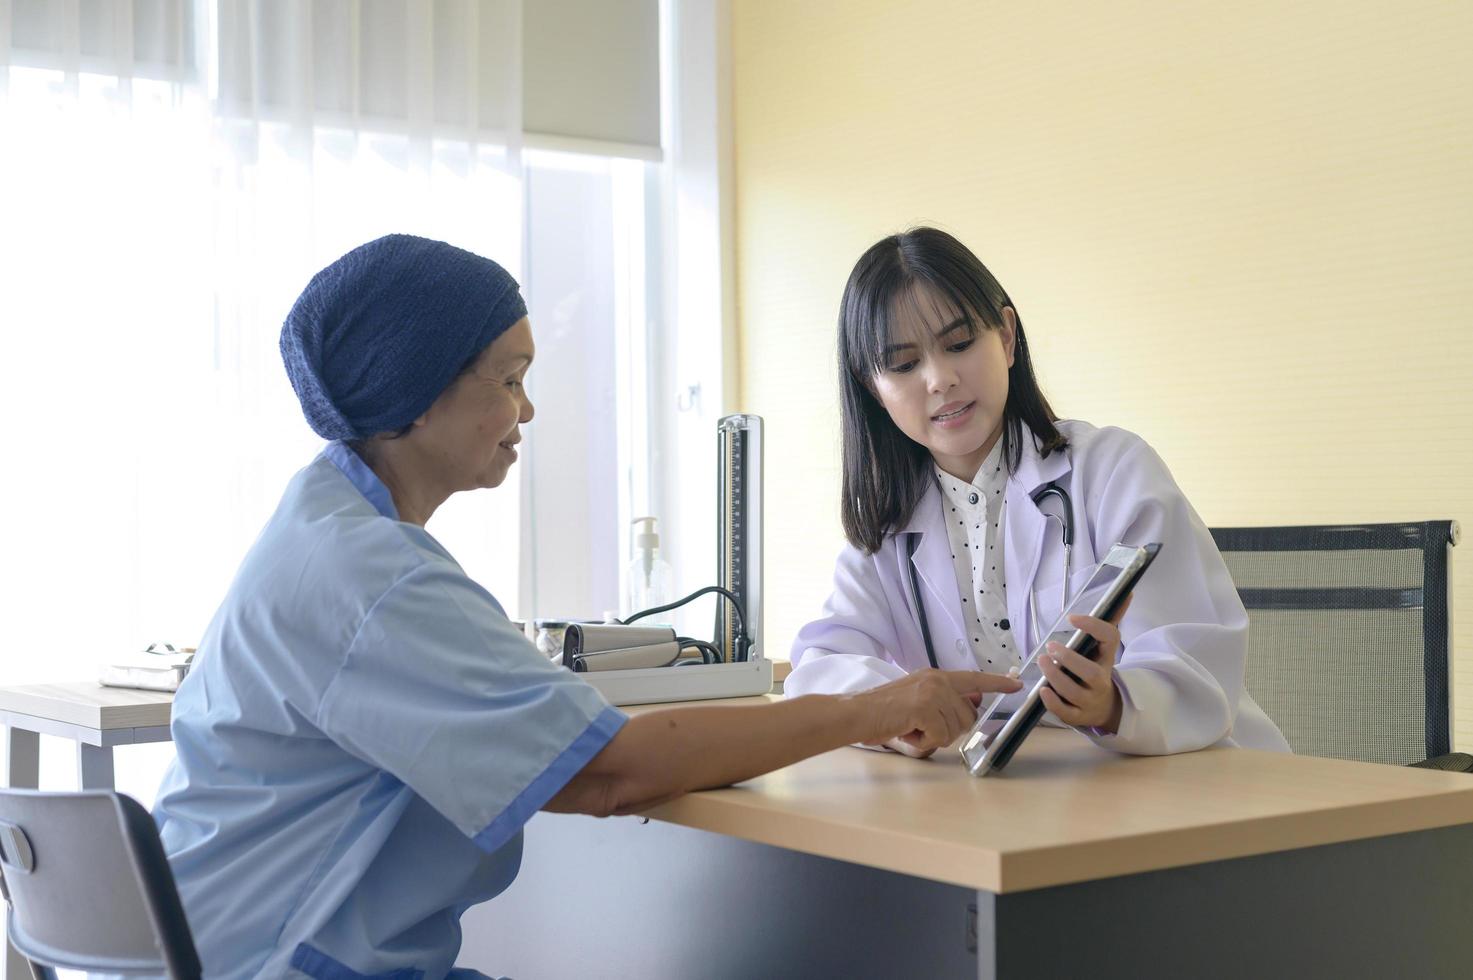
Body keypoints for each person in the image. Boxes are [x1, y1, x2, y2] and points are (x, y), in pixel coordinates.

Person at [149, 234, 1022, 980]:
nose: (525, 409)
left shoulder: (324, 530)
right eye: (509, 378)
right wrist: (875, 707)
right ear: (417, 396)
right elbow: (610, 774)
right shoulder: (371, 575)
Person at [786, 226, 1288, 759]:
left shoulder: (1112, 471)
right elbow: (819, 667)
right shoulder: (890, 525)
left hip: (1186, 785)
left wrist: (1114, 702)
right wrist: (893, 711)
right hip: (1020, 801)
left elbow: (1199, 659)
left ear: (1005, 337)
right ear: (873, 388)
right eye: (905, 364)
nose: (939, 379)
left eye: (959, 344)